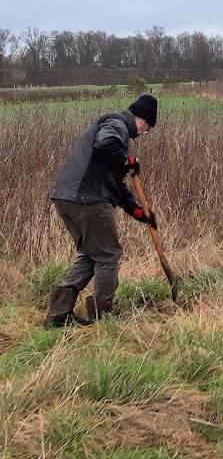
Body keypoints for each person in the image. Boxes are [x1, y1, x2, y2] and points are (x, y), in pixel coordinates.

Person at [44, 94, 159, 327]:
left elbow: (113, 183)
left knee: (92, 254)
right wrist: (126, 161)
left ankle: (58, 314)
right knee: (109, 255)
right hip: (88, 200)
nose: (144, 133)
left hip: (66, 198)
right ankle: (101, 317)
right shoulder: (116, 125)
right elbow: (105, 143)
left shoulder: (115, 132)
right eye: (148, 128)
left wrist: (137, 211)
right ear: (142, 120)